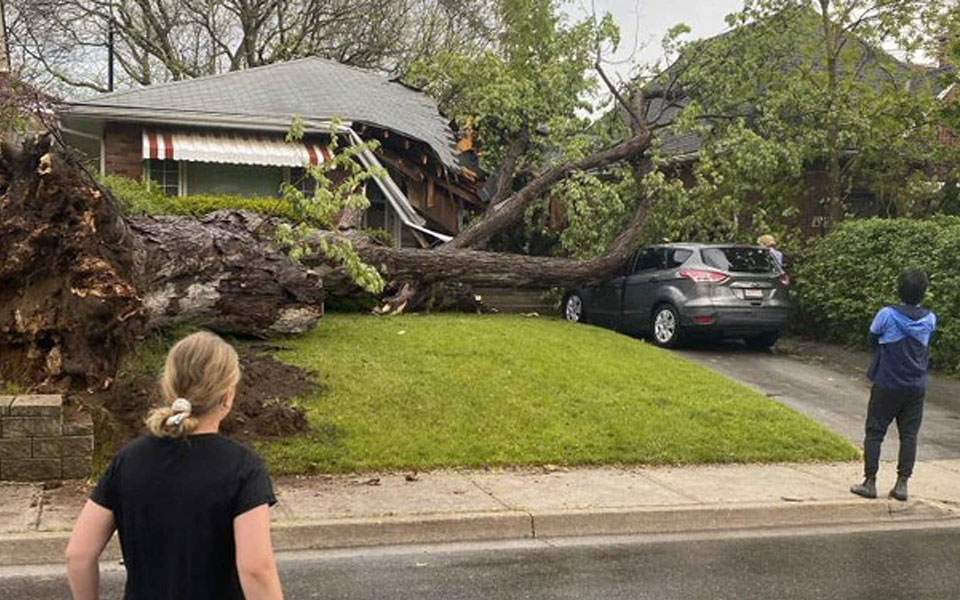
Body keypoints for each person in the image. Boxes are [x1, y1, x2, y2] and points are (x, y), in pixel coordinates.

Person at [66, 331, 284, 600]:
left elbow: (78, 555)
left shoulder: (128, 461)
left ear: (170, 389)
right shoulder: (243, 468)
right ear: (227, 396)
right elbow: (256, 570)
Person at [850, 270, 937, 502]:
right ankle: (902, 484)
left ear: (898, 289)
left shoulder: (887, 314)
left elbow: (872, 339)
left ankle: (870, 482)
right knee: (909, 435)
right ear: (924, 292)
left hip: (887, 382)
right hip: (916, 385)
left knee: (875, 431)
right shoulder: (930, 318)